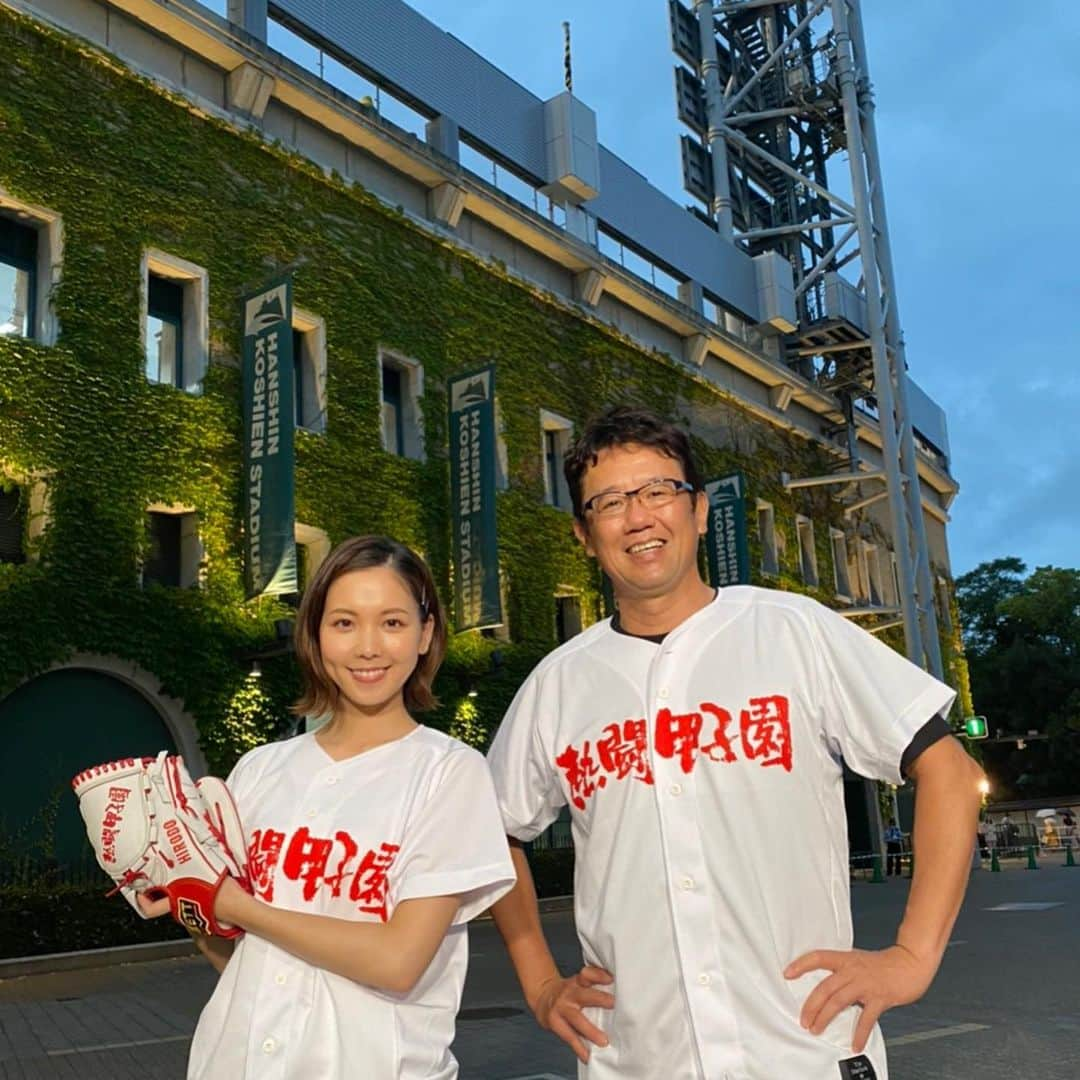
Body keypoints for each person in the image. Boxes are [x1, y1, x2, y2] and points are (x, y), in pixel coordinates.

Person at [487, 406, 984, 1080]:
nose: (639, 516)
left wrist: (912, 957)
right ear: (584, 533)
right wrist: (542, 983)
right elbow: (490, 833)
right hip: (640, 1058)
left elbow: (948, 771)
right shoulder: (560, 684)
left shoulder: (790, 630)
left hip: (803, 1047)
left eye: (660, 490)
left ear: (698, 512)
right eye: (609, 502)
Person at [138, 535, 516, 1079]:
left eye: (392, 622)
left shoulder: (448, 773)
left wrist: (234, 904)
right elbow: (240, 958)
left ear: (425, 633)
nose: (368, 647)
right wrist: (187, 899)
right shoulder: (260, 769)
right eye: (343, 623)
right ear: (314, 633)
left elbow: (397, 961)